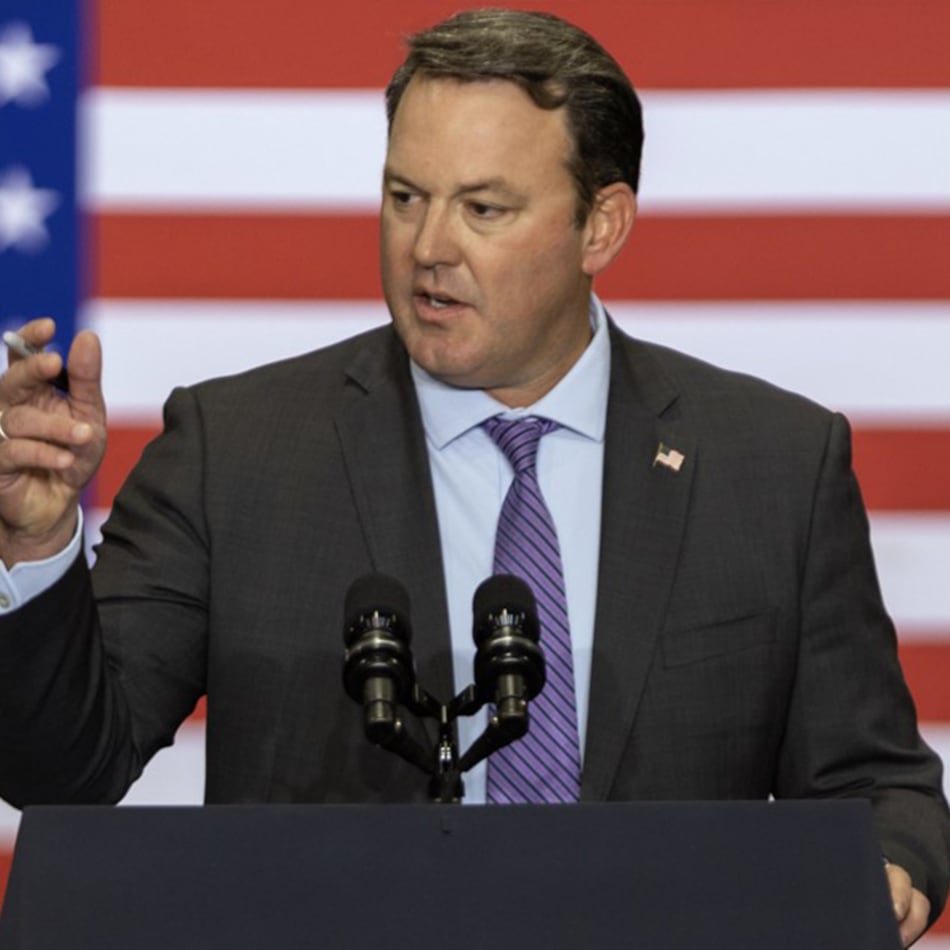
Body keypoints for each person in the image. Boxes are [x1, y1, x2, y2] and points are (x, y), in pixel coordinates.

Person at [0, 9, 946, 944]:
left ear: (601, 227)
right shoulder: (232, 450)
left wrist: (892, 871)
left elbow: (877, 785)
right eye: (406, 196)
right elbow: (65, 773)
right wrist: (40, 545)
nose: (428, 248)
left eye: (482, 208)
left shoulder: (772, 465)